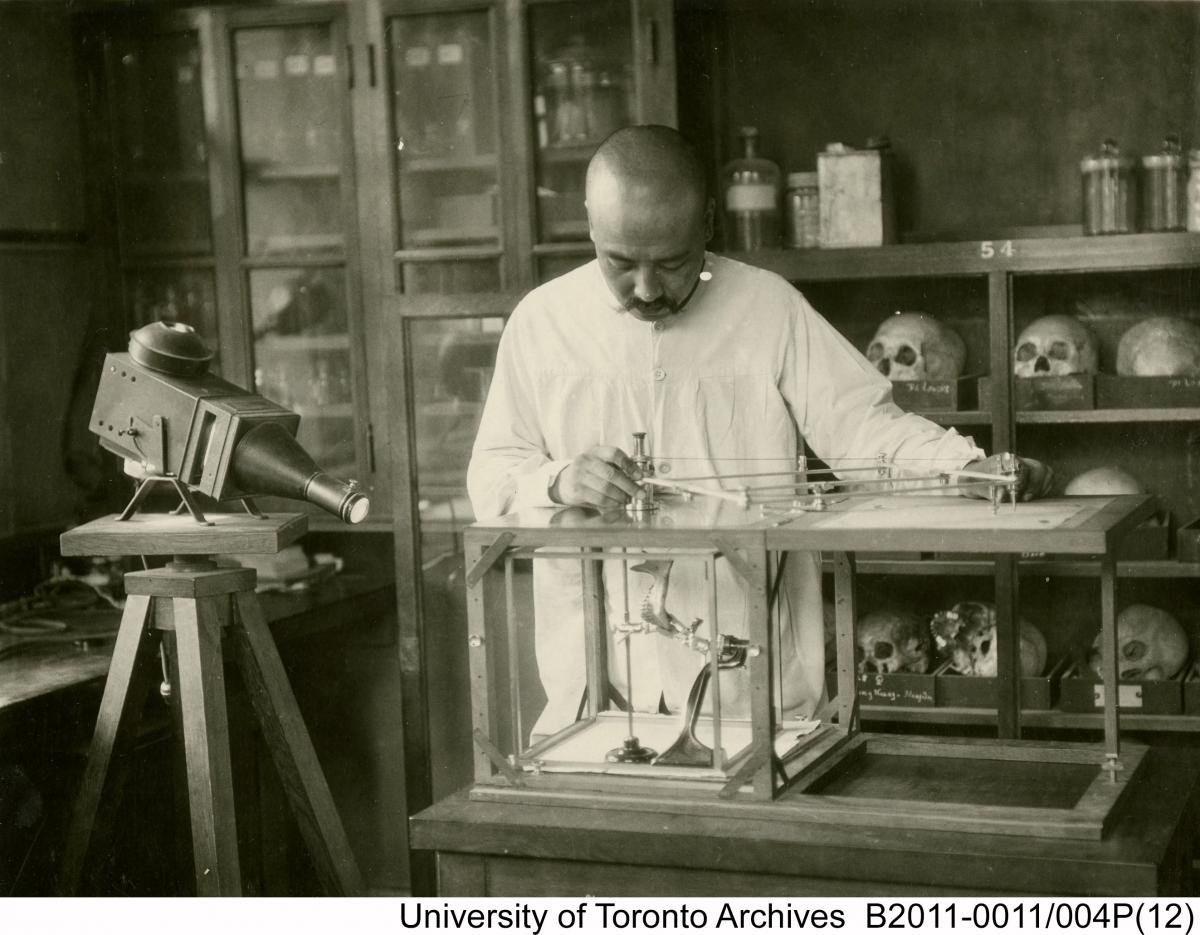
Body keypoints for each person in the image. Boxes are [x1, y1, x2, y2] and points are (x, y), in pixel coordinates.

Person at [468, 125, 1051, 738]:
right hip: (597, 696)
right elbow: (492, 477)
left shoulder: (768, 308)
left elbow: (862, 429)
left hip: (750, 691)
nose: (645, 290)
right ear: (590, 223)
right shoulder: (541, 323)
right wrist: (560, 480)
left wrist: (966, 467)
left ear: (709, 224)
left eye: (671, 265)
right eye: (619, 263)